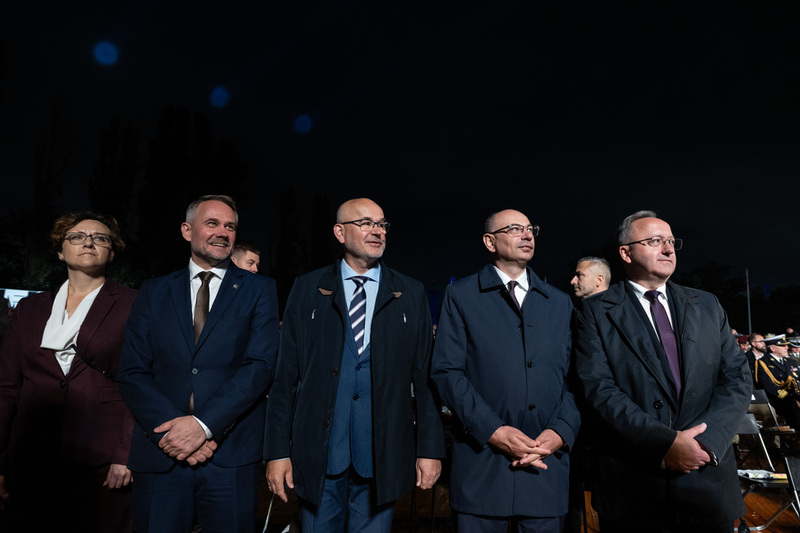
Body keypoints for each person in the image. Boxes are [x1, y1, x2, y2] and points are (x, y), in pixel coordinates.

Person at [265, 198, 444, 532]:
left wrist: (430, 450)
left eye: (382, 224)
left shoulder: (410, 292)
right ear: (339, 232)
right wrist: (276, 452)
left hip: (382, 456)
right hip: (319, 456)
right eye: (365, 223)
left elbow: (425, 378)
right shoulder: (307, 288)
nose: (377, 231)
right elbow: (285, 376)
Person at [573, 210, 751, 532]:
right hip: (635, 484)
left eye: (670, 241)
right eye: (655, 241)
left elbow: (737, 377)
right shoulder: (594, 313)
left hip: (707, 479)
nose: (668, 249)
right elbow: (597, 388)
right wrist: (664, 444)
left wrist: (707, 444)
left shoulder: (707, 304)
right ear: (625, 252)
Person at [117, 195, 279, 533]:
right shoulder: (153, 291)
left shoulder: (260, 290)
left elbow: (260, 366)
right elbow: (133, 371)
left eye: (230, 226)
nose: (222, 232)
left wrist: (202, 426)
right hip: (161, 451)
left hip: (230, 456)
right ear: (187, 230)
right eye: (212, 223)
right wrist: (174, 430)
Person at [431, 209, 579, 532]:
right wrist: (494, 431)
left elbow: (575, 379)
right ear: (489, 241)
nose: (527, 235)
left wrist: (560, 433)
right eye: (514, 229)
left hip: (546, 469)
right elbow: (446, 372)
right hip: (482, 471)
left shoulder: (560, 303)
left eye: (530, 229)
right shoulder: (461, 296)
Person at [0, 212, 137, 532]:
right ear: (61, 251)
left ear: (111, 252)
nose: (88, 241)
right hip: (33, 451)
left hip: (103, 456)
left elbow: (143, 383)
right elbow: (7, 386)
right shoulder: (30, 309)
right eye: (76, 236)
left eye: (100, 238)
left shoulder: (135, 304)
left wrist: (127, 452)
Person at [755, 334, 800, 430]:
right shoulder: (763, 363)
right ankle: (796, 434)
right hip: (777, 399)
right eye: (783, 345)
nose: (787, 348)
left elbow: (797, 381)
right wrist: (789, 397)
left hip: (793, 396)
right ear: (772, 348)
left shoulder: (790, 362)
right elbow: (768, 386)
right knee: (790, 406)